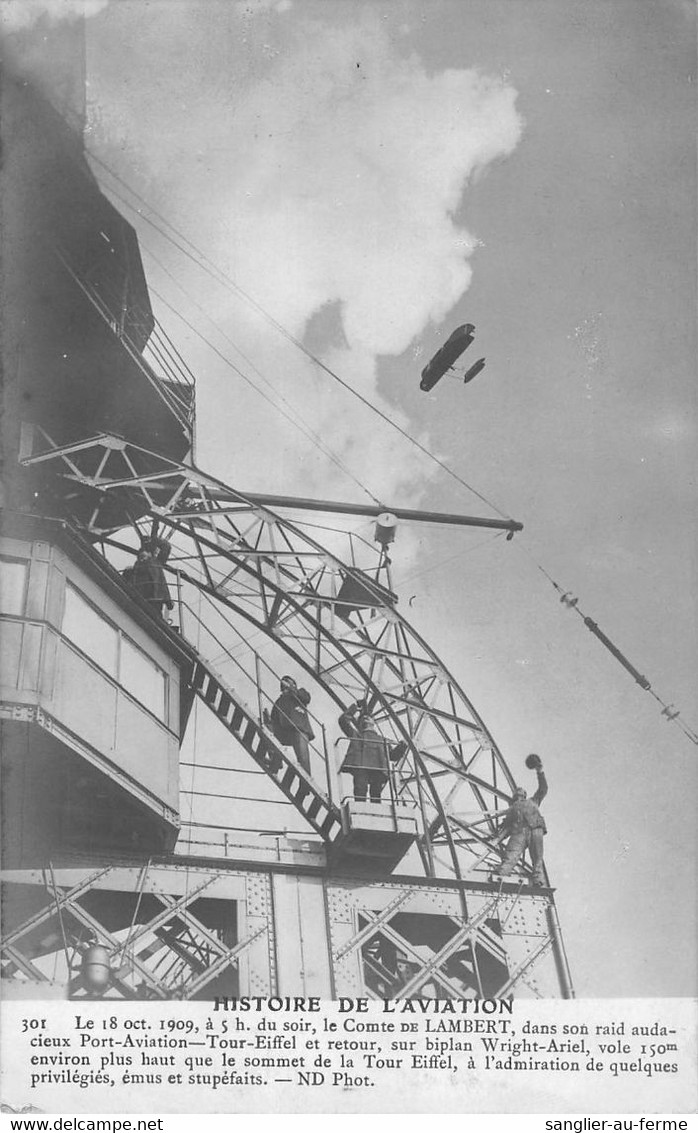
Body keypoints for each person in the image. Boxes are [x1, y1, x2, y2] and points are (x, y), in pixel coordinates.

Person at [494, 753, 548, 885]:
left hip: (534, 830)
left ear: (524, 795)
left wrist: (540, 771)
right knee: (512, 854)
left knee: (537, 857)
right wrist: (496, 836)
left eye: (521, 792)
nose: (518, 792)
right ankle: (502, 873)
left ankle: (538, 880)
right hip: (520, 832)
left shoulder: (533, 801)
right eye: (517, 792)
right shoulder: (513, 809)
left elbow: (543, 789)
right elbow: (505, 827)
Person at [338, 701, 390, 803]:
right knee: (360, 790)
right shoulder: (356, 735)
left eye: (368, 717)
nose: (365, 718)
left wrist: (403, 746)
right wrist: (355, 707)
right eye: (362, 718)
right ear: (359, 723)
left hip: (376, 770)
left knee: (375, 794)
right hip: (361, 767)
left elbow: (392, 755)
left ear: (373, 722)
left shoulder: (382, 740)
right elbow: (343, 720)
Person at [268, 676, 314, 775]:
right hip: (286, 730)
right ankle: (276, 763)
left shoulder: (299, 693)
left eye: (289, 682)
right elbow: (274, 718)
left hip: (299, 729)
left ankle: (305, 787)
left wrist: (291, 688)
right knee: (269, 734)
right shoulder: (280, 701)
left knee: (303, 759)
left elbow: (306, 698)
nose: (286, 684)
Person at [122, 537, 174, 619]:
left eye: (145, 554)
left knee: (156, 615)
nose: (143, 557)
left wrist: (154, 540)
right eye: (141, 556)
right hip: (144, 596)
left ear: (150, 553)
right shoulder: (136, 568)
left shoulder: (156, 563)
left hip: (154, 598)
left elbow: (166, 547)